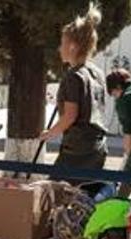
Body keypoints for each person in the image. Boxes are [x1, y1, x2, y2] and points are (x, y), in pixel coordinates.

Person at [39, 4, 109, 174]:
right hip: (98, 146)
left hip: (78, 150)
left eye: (62, 43)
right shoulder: (98, 73)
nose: (59, 48)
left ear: (73, 46)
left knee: (54, 194)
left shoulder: (74, 76)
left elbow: (70, 116)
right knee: (84, 194)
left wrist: (49, 134)